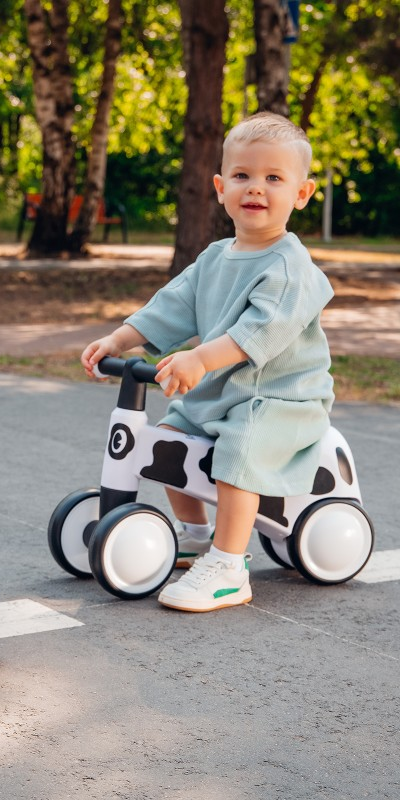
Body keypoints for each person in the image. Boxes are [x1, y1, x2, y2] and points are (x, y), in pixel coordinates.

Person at [81, 112, 333, 612]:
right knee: (170, 441)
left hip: (280, 398)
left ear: (301, 195)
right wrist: (120, 339)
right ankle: (194, 534)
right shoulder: (216, 256)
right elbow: (170, 306)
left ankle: (227, 566)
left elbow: (258, 333)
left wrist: (199, 357)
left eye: (273, 178)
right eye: (242, 175)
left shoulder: (291, 266)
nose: (255, 188)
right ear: (220, 187)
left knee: (239, 448)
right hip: (225, 392)